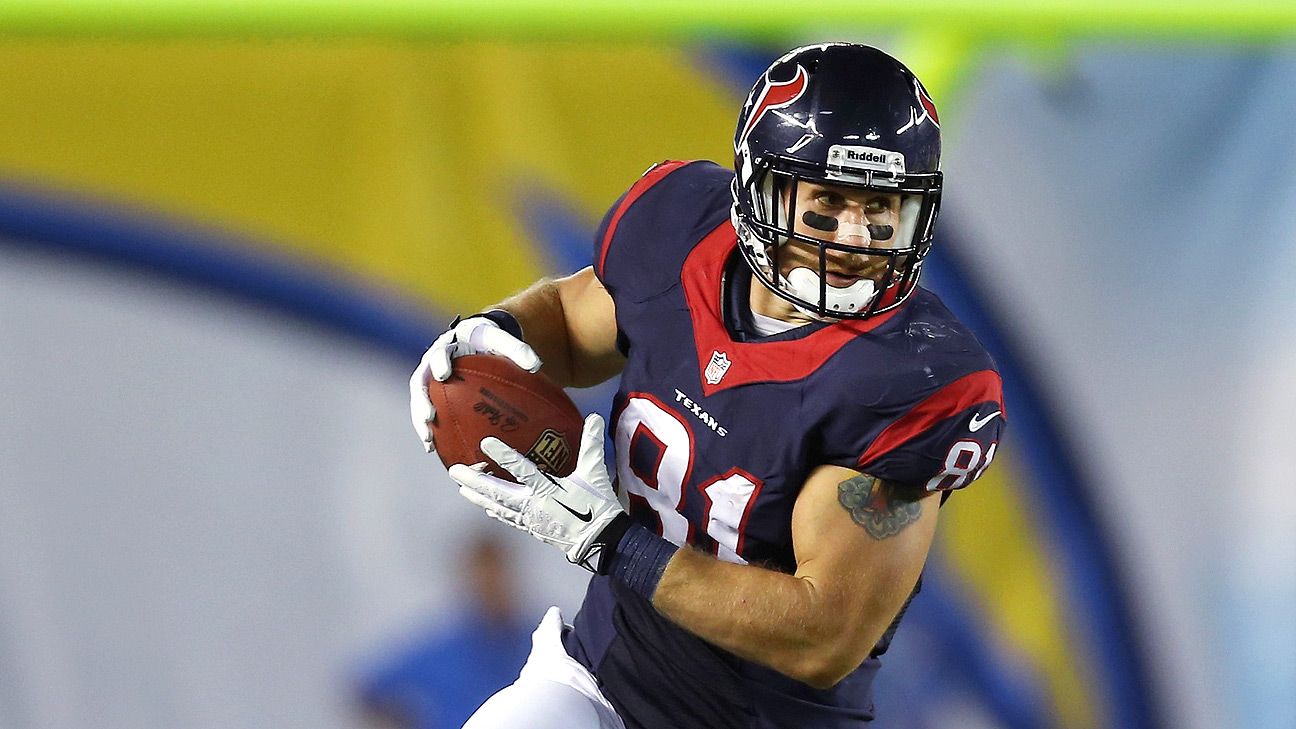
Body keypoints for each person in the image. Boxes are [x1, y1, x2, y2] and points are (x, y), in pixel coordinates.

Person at [409, 42, 1006, 728]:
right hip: (602, 680)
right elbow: (573, 325)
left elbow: (823, 634)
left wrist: (617, 544)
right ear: (759, 186)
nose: (855, 238)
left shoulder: (910, 378)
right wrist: (490, 336)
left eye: (882, 209)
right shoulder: (679, 233)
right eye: (829, 203)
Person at [356, 536, 532, 728]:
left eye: (496, 576)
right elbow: (369, 690)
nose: (490, 587)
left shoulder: (540, 642)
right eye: (482, 578)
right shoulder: (441, 650)